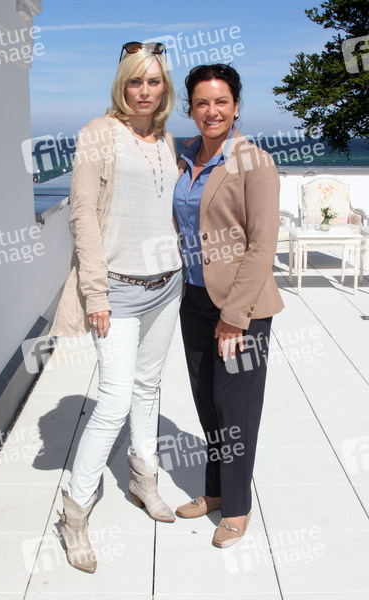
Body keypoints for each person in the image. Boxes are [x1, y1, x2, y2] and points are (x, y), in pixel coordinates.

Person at [50, 41, 183, 573]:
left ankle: (143, 479)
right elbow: (82, 215)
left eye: (153, 82)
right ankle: (75, 510)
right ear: (121, 84)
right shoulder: (98, 133)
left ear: (164, 88)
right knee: (112, 401)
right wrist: (97, 293)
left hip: (167, 285)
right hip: (119, 290)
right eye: (135, 81)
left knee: (148, 387)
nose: (144, 91)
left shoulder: (167, 139)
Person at [173, 64, 284, 548]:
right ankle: (215, 491)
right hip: (193, 299)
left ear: (236, 106)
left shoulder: (254, 162)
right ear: (191, 109)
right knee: (206, 401)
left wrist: (235, 317)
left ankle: (237, 507)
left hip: (242, 308)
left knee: (235, 407)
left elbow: (262, 246)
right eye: (202, 102)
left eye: (221, 102)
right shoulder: (185, 158)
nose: (211, 111)